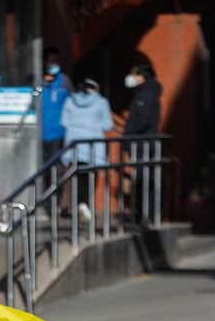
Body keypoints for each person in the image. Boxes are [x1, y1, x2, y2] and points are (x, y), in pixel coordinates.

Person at [61, 78, 114, 223]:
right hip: (93, 146)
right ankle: (85, 204)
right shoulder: (101, 102)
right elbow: (107, 125)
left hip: (73, 144)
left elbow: (64, 122)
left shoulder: (70, 100)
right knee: (90, 176)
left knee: (74, 176)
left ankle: (74, 205)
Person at [122, 64, 163, 223]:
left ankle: (145, 214)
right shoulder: (146, 93)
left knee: (142, 181)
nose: (131, 78)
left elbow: (142, 121)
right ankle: (144, 213)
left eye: (134, 75)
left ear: (142, 76)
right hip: (143, 143)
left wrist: (128, 136)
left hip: (142, 144)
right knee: (144, 180)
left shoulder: (145, 95)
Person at [41, 47, 72, 163]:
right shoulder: (37, 81)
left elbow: (71, 102)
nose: (53, 63)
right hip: (39, 132)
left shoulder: (64, 81)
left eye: (56, 61)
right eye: (50, 60)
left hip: (59, 132)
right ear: (44, 62)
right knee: (40, 167)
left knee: (56, 167)